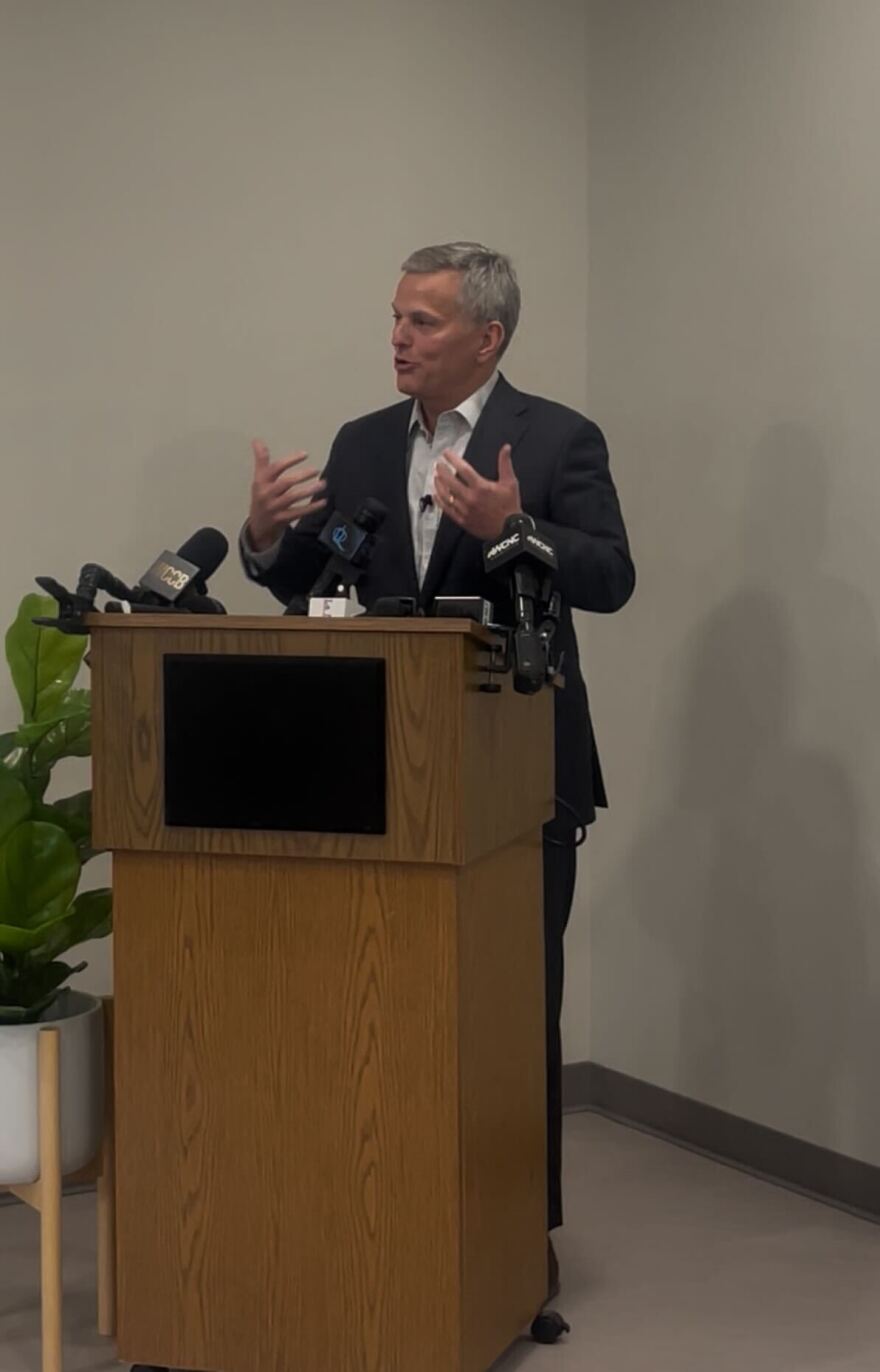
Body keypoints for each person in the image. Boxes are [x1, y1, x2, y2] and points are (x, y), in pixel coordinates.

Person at [241, 241, 634, 1293]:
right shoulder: (363, 442)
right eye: (395, 318)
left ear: (487, 336)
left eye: (421, 321)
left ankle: (519, 1234)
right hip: (378, 779)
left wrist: (517, 530)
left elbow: (610, 575)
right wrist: (263, 534)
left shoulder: (555, 438)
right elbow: (316, 573)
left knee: (512, 1006)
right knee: (389, 1008)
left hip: (518, 772)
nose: (397, 339)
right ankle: (394, 1213)